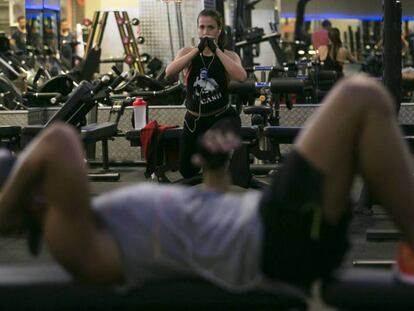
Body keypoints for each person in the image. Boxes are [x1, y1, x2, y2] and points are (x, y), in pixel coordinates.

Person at [2, 75, 414, 291]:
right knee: (361, 98)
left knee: (363, 106)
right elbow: (57, 142)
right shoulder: (68, 236)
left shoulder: (81, 223)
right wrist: (6, 206)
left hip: (271, 226)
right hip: (273, 237)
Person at [165, 9, 247, 179]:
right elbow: (169, 72)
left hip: (222, 117)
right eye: (202, 27)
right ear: (197, 29)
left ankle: (220, 176)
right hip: (194, 120)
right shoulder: (186, 53)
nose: (206, 32)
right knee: (187, 171)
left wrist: (217, 50)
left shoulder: (229, 55)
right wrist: (197, 50)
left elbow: (241, 76)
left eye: (210, 27)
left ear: (219, 30)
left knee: (212, 144)